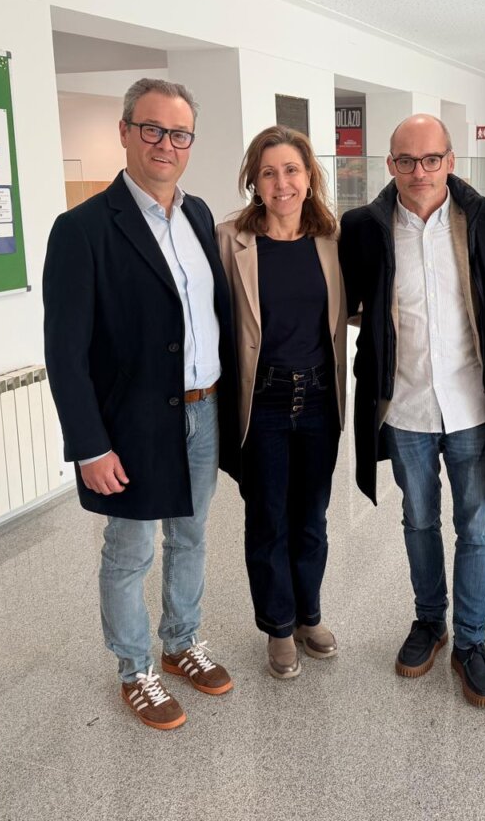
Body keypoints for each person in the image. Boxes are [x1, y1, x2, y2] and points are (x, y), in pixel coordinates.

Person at [43, 77, 240, 731]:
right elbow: (65, 353)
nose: (165, 143)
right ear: (125, 131)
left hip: (201, 410)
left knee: (190, 535)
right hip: (130, 423)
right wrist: (89, 446)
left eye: (178, 133)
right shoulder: (83, 230)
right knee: (130, 551)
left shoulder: (199, 215)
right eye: (151, 129)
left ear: (191, 143)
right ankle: (135, 670)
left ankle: (181, 642)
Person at [339, 115, 485, 709]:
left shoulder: (484, 219)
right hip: (405, 404)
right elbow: (349, 301)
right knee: (417, 520)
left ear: (450, 160)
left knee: (478, 527)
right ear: (389, 165)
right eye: (406, 161)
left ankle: (472, 642)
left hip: (473, 404)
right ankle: (429, 621)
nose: (419, 172)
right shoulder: (363, 227)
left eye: (431, 159)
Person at [216, 126, 347, 679]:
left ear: (310, 176)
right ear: (254, 180)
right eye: (268, 172)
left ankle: (308, 614)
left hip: (319, 397)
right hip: (263, 401)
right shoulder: (230, 240)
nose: (282, 182)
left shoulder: (333, 239)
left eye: (291, 170)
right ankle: (277, 624)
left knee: (311, 517)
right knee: (267, 518)